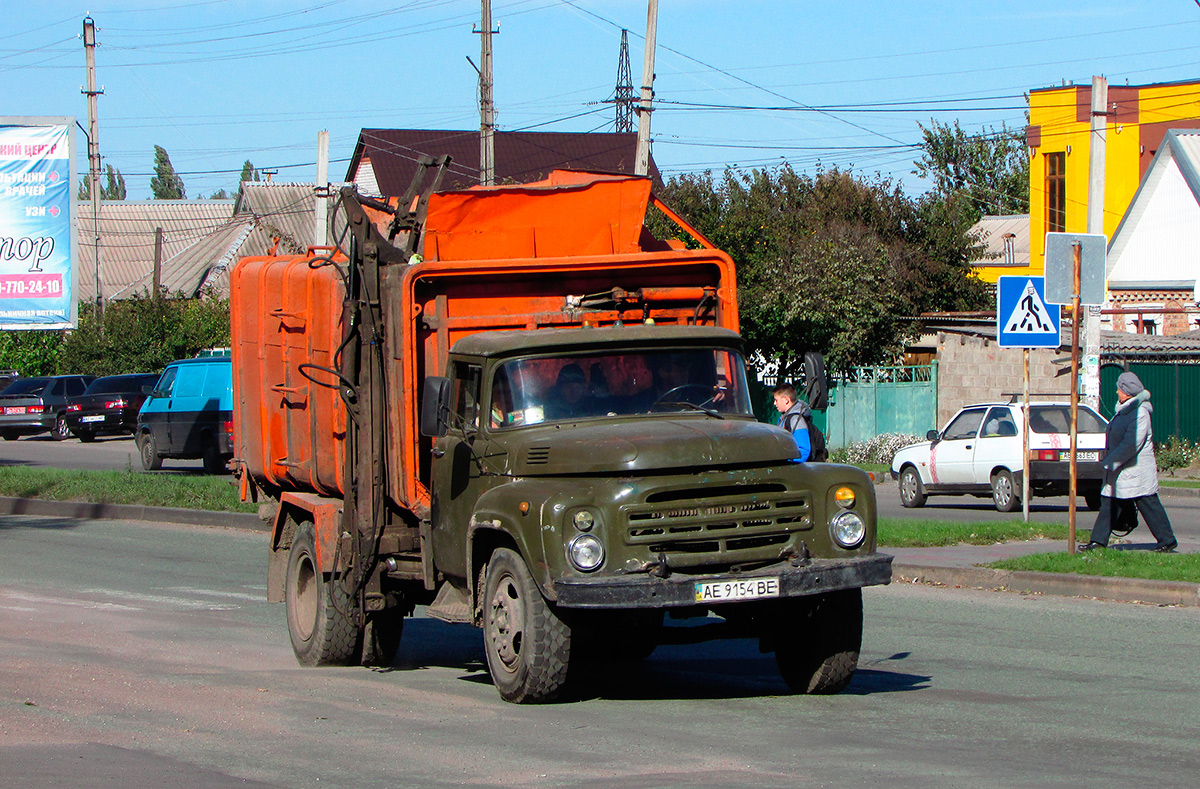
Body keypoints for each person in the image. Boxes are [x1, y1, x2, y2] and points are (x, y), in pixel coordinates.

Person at [1079, 371, 1178, 553]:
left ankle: (1167, 540)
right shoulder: (1124, 411)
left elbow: (1131, 444)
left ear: (1127, 391)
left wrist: (1111, 462)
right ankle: (1098, 542)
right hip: (1121, 469)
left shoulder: (1140, 412)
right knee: (1109, 503)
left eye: (1119, 388)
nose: (1117, 391)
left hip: (1136, 470)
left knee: (1148, 503)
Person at [772, 383, 812, 462]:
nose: (774, 403)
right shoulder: (784, 418)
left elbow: (804, 451)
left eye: (776, 400)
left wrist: (787, 463)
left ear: (786, 400)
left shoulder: (796, 420)